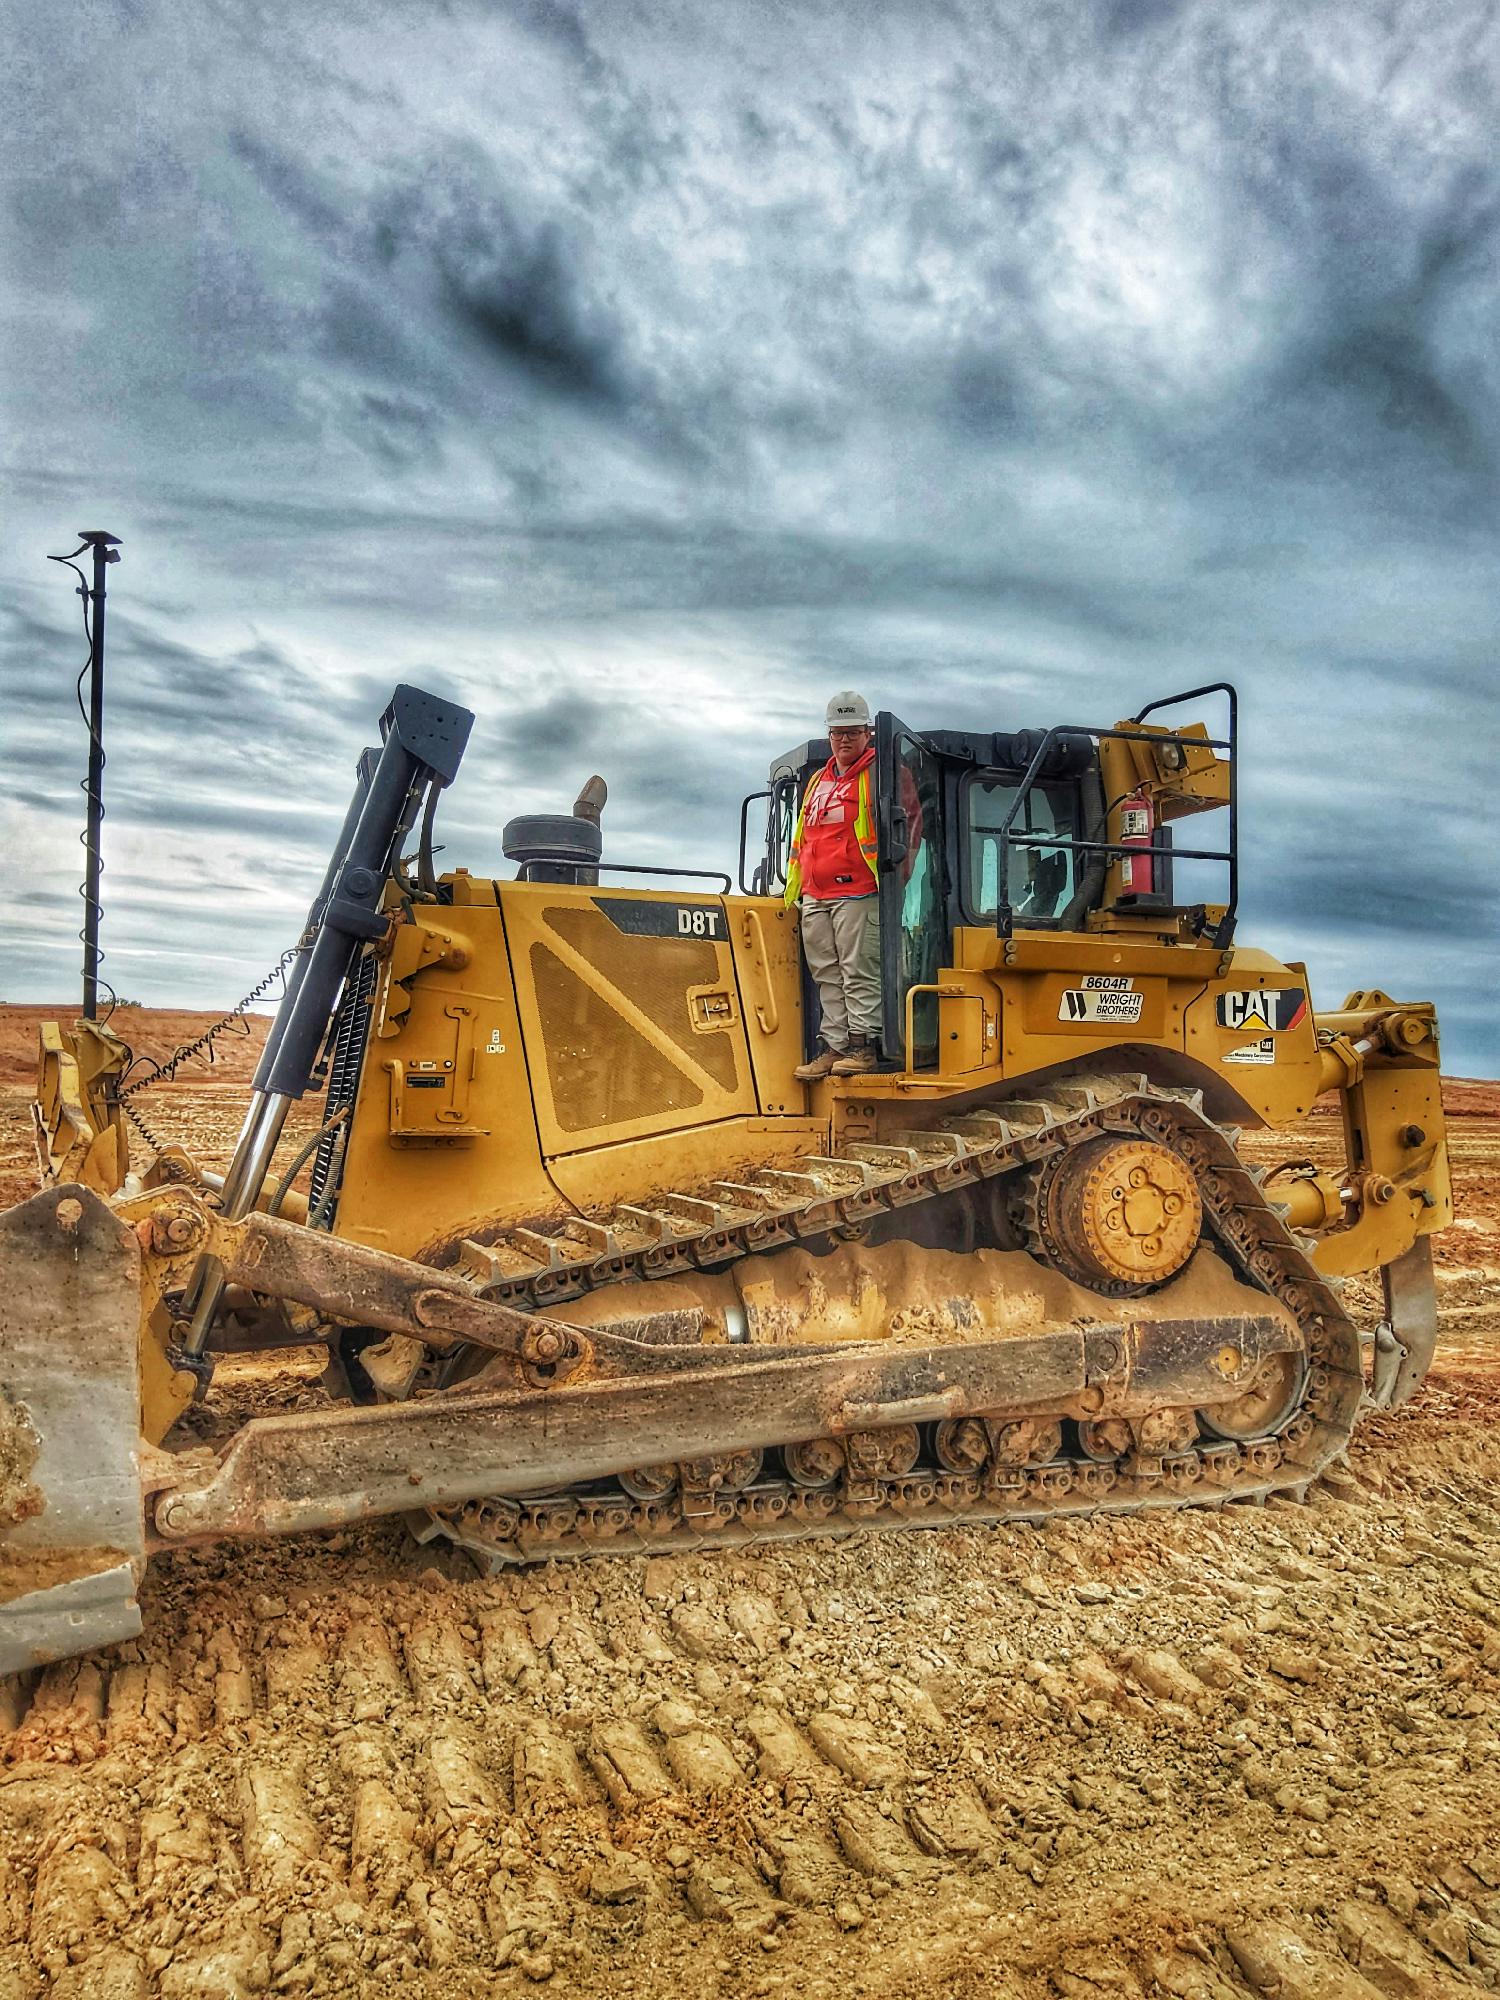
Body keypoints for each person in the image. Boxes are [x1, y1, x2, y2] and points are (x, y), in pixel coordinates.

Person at [784, 691, 885, 1079]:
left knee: (857, 969)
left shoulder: (880, 774)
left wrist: (893, 881)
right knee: (826, 972)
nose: (844, 740)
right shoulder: (818, 781)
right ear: (829, 734)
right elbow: (802, 838)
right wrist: (797, 890)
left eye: (853, 733)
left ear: (868, 733)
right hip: (816, 894)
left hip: (858, 891)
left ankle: (863, 1047)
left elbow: (909, 828)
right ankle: (837, 1046)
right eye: (838, 732)